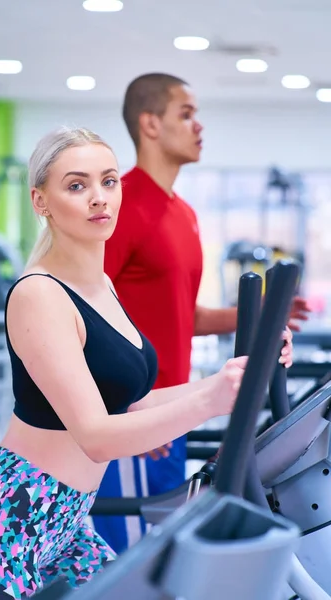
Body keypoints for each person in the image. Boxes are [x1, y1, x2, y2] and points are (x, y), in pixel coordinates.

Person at [0, 126, 280, 599]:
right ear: (41, 201)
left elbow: (129, 406)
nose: (99, 198)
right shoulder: (40, 295)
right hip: (4, 525)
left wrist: (233, 376)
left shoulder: (102, 290)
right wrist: (210, 401)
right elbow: (97, 437)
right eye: (77, 185)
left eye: (109, 181)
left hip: (67, 521)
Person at [93, 73, 309, 553]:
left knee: (157, 552)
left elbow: (178, 315)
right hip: (133, 408)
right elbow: (85, 314)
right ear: (150, 124)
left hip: (173, 409)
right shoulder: (120, 206)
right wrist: (128, 407)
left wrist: (259, 319)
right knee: (122, 559)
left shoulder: (184, 213)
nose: (199, 126)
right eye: (185, 114)